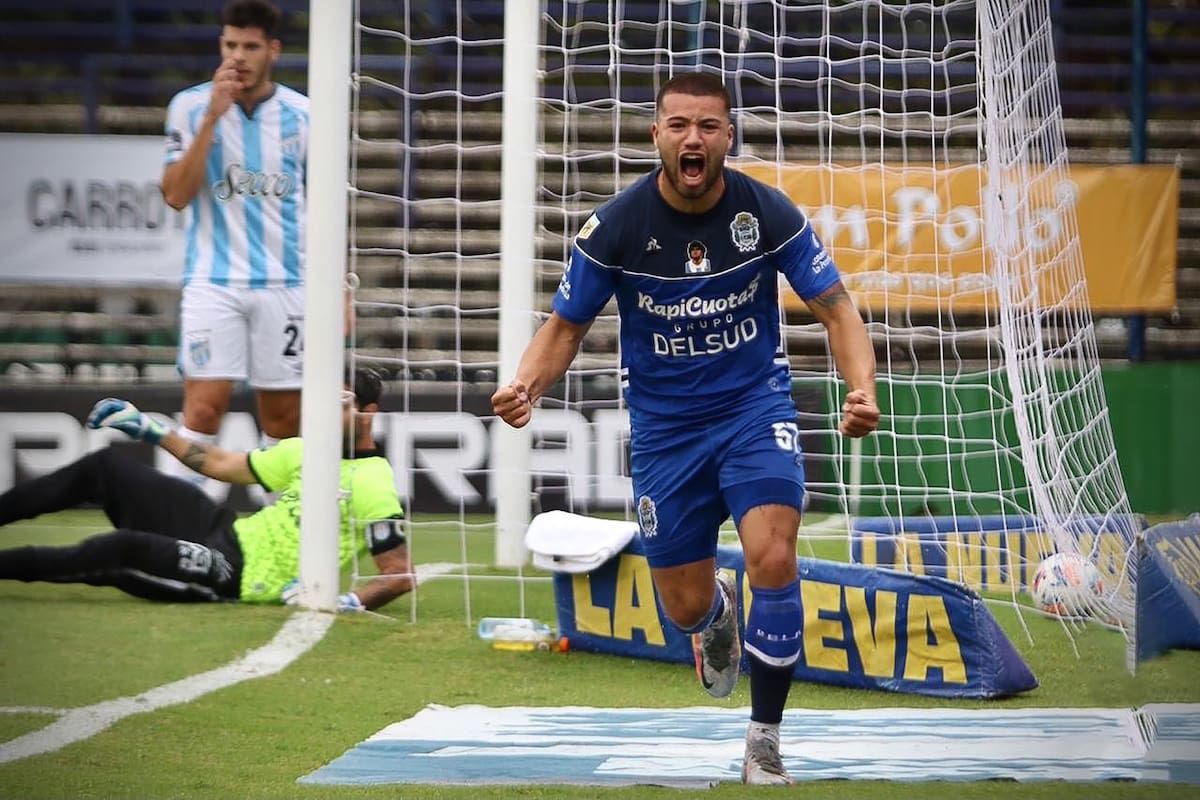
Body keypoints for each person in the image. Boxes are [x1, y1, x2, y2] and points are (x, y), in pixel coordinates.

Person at [491, 71, 879, 785]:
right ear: (657, 135)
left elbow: (837, 308)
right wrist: (525, 386)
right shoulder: (617, 226)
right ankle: (714, 620)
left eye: (707, 125)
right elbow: (565, 328)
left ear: (728, 136)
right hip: (667, 433)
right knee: (685, 603)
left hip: (752, 412)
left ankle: (763, 742)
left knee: (772, 552)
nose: (693, 138)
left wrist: (861, 388)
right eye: (679, 125)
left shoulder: (768, 215)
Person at [0, 368, 412, 612]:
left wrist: (349, 600)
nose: (321, 409)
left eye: (336, 401)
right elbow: (218, 464)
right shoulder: (304, 451)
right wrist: (152, 430)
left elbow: (399, 574)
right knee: (104, 469)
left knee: (121, 549)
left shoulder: (374, 481)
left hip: (236, 574)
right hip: (225, 529)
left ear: (366, 413)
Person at [160, 0, 309, 495]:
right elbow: (176, 195)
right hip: (213, 282)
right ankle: (177, 533)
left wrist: (341, 289)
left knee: (284, 422)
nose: (238, 57)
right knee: (201, 411)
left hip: (287, 284)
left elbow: (326, 209)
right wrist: (211, 120)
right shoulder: (188, 106)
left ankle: (283, 541)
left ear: (273, 50)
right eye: (229, 45)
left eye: (249, 46)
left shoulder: (304, 116)